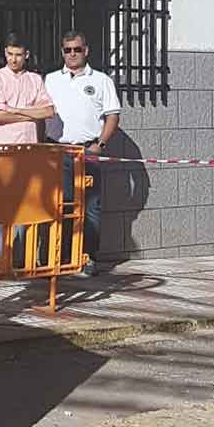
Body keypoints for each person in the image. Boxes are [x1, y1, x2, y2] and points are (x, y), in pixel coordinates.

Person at [45, 29, 121, 277]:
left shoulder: (101, 80)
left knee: (91, 206)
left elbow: (112, 116)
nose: (72, 54)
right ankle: (63, 256)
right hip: (58, 151)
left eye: (77, 49)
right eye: (68, 50)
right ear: (62, 52)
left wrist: (100, 145)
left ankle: (88, 257)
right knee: (61, 204)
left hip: (89, 151)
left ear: (86, 50)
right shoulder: (51, 79)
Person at [0, 32, 54, 265]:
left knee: (27, 204)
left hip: (30, 150)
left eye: (18, 55)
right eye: (9, 54)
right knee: (0, 204)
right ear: (5, 53)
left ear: (26, 55)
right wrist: (29, 112)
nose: (13, 59)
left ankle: (19, 255)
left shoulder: (35, 79)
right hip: (5, 150)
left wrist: (16, 109)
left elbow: (49, 111)